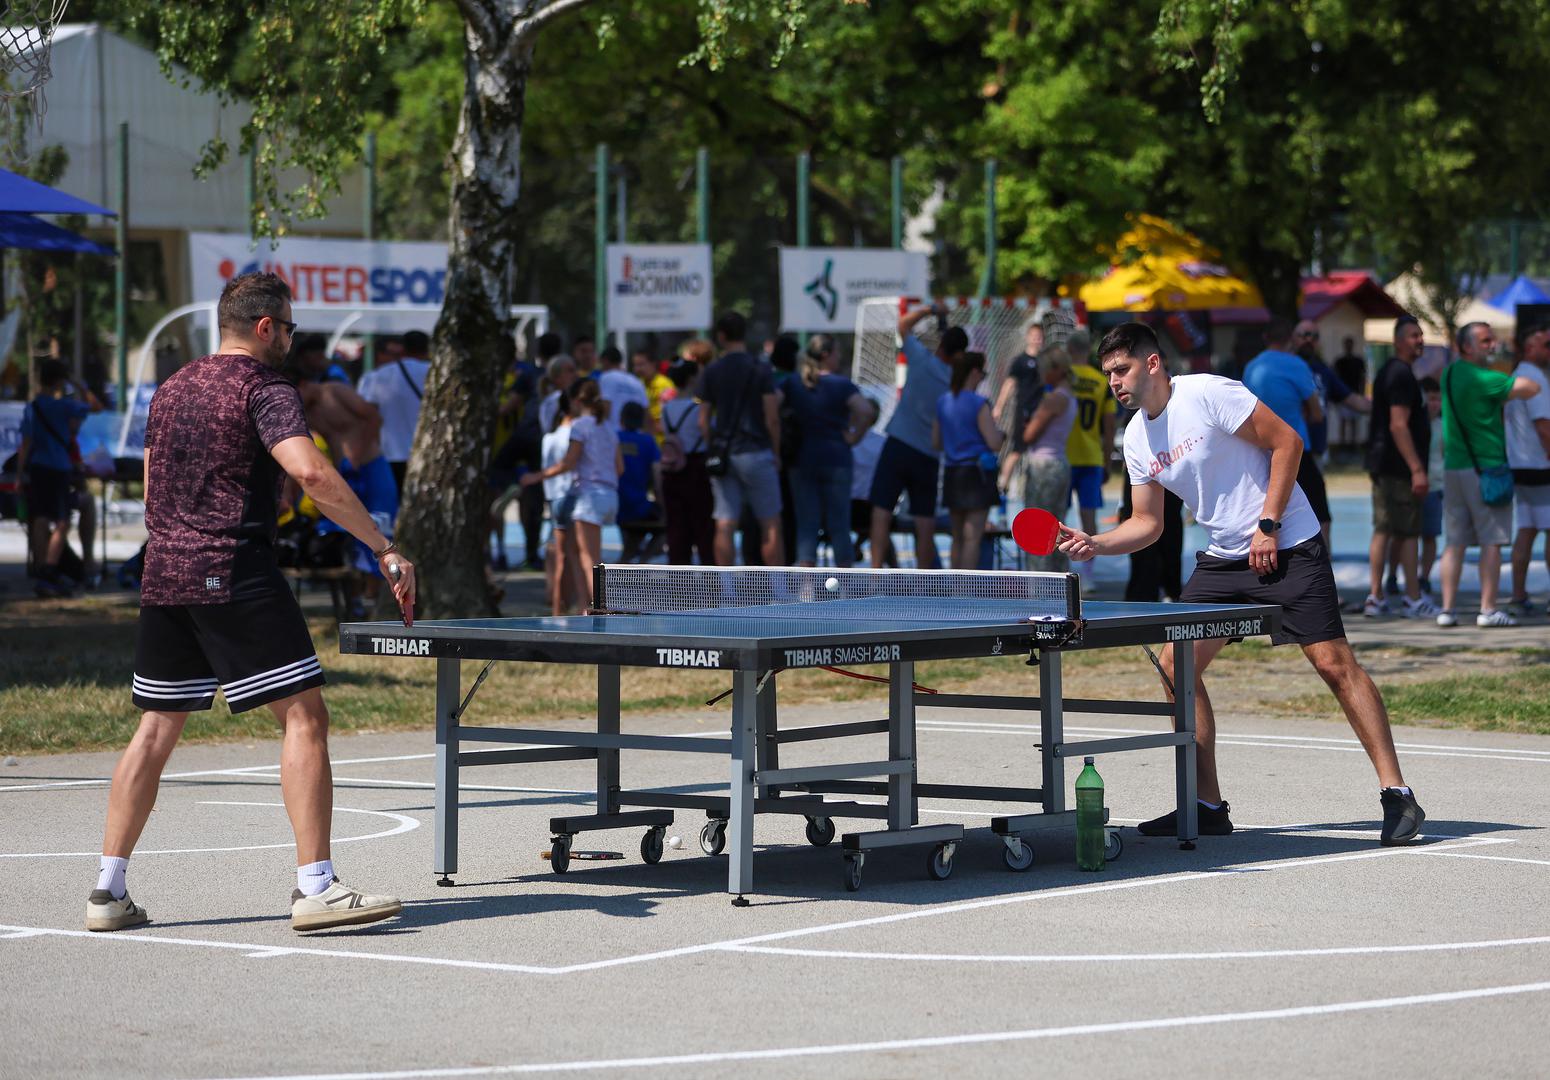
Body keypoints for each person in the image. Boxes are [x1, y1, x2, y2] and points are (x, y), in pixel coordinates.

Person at [89, 271, 414, 935]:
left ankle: (107, 890)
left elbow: (155, 477)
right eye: (289, 328)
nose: (293, 339)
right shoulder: (265, 387)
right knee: (304, 715)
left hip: (165, 570)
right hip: (231, 566)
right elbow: (312, 471)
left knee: (155, 727)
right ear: (265, 327)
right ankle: (316, 886)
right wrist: (382, 546)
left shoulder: (174, 385)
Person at [1057, 321, 1425, 846]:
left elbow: (1287, 443)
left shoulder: (1208, 393)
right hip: (1224, 559)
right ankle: (1207, 804)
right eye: (1108, 373)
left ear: (1153, 363)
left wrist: (1268, 524)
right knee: (1175, 663)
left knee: (1333, 665)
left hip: (1289, 541)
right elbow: (1149, 523)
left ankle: (1399, 796)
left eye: (1122, 369)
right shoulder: (1137, 435)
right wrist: (1096, 542)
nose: (1114, 381)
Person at [1436, 321, 1541, 627]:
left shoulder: (1450, 373)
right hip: (1486, 468)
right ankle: (1488, 608)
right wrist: (1511, 361)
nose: (1492, 344)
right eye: (1485, 341)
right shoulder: (1486, 378)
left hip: (1455, 466)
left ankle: (1447, 609)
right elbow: (1531, 388)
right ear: (1466, 346)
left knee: (1454, 542)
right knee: (1491, 540)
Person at [294, 373, 397, 619]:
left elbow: (374, 418)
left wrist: (358, 455)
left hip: (371, 466)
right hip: (345, 473)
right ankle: (357, 601)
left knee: (381, 532)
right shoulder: (304, 412)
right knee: (347, 537)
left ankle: (379, 600)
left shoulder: (335, 392)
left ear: (305, 383)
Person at [1361, 315, 1437, 619]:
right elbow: (1398, 425)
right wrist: (1417, 468)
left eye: (1420, 335)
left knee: (1386, 529)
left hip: (1385, 464)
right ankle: (1412, 598)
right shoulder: (1400, 375)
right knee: (1407, 532)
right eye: (1412, 335)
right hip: (1397, 468)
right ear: (1397, 341)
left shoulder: (1392, 373)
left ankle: (1377, 597)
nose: (1418, 340)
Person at [868, 305, 955, 569]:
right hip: (927, 455)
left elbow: (903, 325)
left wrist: (930, 309)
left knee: (881, 512)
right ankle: (923, 581)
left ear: (940, 347)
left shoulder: (920, 360)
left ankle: (873, 577)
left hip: (898, 446)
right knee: (924, 522)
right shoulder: (954, 381)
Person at [521, 379, 620, 609]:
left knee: (590, 559)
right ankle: (584, 606)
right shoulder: (608, 427)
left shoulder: (580, 427)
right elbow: (620, 467)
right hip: (610, 495)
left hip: (588, 497)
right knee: (575, 553)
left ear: (576, 401)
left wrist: (536, 476)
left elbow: (567, 462)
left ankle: (599, 608)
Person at [698, 311, 783, 566]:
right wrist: (776, 452)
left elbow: (703, 420)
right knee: (770, 522)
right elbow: (772, 417)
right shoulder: (760, 369)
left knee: (725, 522)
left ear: (721, 336)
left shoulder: (712, 371)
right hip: (756, 451)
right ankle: (778, 590)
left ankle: (727, 591)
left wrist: (713, 446)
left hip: (725, 454)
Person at [16, 359, 104, 597]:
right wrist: (79, 384)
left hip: (37, 469)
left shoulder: (32, 407)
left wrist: (19, 474)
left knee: (41, 518)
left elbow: (25, 444)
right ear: (59, 381)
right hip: (59, 469)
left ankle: (41, 567)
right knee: (62, 521)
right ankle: (50, 570)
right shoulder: (63, 407)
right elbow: (96, 407)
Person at [784, 334, 868, 567]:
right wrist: (853, 437)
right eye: (836, 353)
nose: (839, 358)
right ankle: (848, 589)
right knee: (840, 526)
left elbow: (771, 406)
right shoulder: (842, 385)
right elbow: (866, 411)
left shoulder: (793, 383)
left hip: (803, 461)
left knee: (807, 526)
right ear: (825, 355)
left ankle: (807, 588)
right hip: (836, 460)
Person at [1243, 318, 1328, 542]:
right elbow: (1317, 412)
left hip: (1260, 452)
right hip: (1295, 451)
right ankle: (1323, 561)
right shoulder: (1296, 365)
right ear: (1291, 339)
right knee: (1319, 512)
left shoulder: (1251, 367)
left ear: (1265, 338)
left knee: (1267, 512)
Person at [933, 351, 1005, 570]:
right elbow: (994, 442)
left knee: (957, 537)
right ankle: (966, 590)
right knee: (973, 537)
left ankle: (955, 587)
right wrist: (1001, 434)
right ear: (974, 372)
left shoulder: (943, 401)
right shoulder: (978, 403)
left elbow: (936, 442)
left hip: (953, 472)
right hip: (976, 474)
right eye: (983, 373)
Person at [1504, 321, 1550, 616]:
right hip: (1541, 466)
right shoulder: (1534, 379)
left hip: (1520, 466)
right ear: (1530, 347)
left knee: (1527, 530)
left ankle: (1518, 595)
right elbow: (1544, 426)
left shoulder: (1514, 377)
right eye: (1547, 344)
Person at [1063, 328, 1115, 588]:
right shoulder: (1100, 381)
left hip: (1063, 456)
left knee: (1057, 519)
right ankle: (1088, 576)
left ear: (1069, 350)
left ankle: (1059, 571)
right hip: (1091, 456)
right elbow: (1108, 427)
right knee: (1089, 518)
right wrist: (1106, 460)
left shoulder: (1063, 379)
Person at [1021, 345, 1077, 573]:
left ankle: (1039, 584)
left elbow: (1029, 434)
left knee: (1037, 530)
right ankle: (1059, 580)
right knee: (1057, 528)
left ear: (1056, 370)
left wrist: (1029, 423)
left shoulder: (1053, 399)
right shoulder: (1070, 397)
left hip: (1043, 465)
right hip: (1060, 463)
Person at [356, 329, 429, 496]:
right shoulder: (438, 374)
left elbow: (364, 416)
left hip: (387, 455)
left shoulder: (376, 377)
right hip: (426, 456)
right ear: (427, 349)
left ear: (403, 349)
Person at [659, 360, 715, 565]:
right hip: (696, 466)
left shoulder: (666, 408)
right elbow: (707, 432)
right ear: (692, 378)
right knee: (703, 526)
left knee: (676, 527)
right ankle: (711, 579)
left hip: (672, 469)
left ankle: (678, 580)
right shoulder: (698, 408)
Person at [992, 318, 1045, 495]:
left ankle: (1036, 487)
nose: (1037, 340)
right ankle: (1002, 484)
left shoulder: (1046, 361)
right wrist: (999, 406)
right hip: (1023, 411)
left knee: (1040, 451)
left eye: (1040, 337)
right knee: (1017, 449)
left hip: (1041, 413)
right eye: (1034, 336)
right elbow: (1009, 384)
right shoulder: (1020, 361)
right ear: (1028, 337)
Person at [539, 390, 580, 615]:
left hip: (555, 496)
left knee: (558, 554)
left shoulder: (549, 437)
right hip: (572, 495)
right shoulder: (579, 434)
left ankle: (557, 607)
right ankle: (578, 604)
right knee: (575, 555)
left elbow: (547, 469)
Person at [616, 401, 664, 562]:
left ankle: (630, 560)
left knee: (632, 542)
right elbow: (658, 477)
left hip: (617, 507)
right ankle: (643, 562)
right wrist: (662, 502)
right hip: (639, 507)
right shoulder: (648, 442)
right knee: (668, 524)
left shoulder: (614, 438)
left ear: (621, 418)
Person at [848, 396, 892, 566]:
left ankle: (857, 547)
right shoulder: (883, 443)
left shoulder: (846, 441)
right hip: (869, 508)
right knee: (881, 526)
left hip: (851, 508)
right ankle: (897, 576)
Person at [596, 346, 649, 433]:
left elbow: (605, 406)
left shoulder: (606, 377)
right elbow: (646, 413)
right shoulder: (636, 381)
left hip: (615, 436)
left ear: (605, 361)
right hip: (636, 436)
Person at [1334, 335, 1369, 450]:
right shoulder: (1340, 361)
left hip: (1355, 394)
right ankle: (1343, 443)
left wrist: (1362, 393)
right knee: (1343, 421)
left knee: (1354, 421)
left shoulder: (1358, 361)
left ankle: (1353, 444)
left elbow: (1363, 378)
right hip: (1343, 395)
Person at [632, 348, 675, 441]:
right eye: (635, 365)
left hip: (661, 442)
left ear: (653, 364)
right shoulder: (638, 384)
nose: (637, 369)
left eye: (641, 364)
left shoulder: (664, 385)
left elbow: (669, 418)